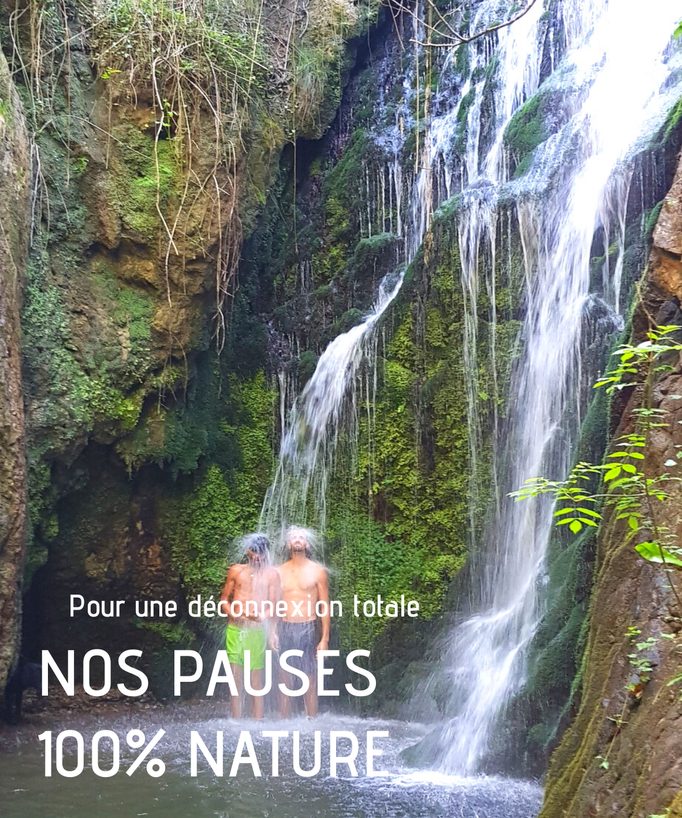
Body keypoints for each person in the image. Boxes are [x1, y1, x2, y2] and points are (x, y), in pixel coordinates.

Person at [220, 533, 280, 719]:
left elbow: (274, 605)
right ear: (248, 550)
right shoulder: (236, 571)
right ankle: (236, 720)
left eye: (261, 553)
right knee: (235, 677)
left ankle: (258, 721)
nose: (257, 556)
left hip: (255, 631)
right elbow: (223, 601)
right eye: (254, 552)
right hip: (235, 629)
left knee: (256, 679)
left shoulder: (272, 574)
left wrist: (262, 617)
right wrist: (233, 613)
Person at [275, 527, 330, 717]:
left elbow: (325, 606)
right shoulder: (279, 571)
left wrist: (324, 639)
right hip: (285, 626)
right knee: (284, 677)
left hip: (308, 626)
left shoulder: (317, 571)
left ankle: (311, 720)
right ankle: (284, 721)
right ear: (289, 544)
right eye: (293, 538)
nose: (297, 540)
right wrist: (272, 632)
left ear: (306, 544)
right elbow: (275, 605)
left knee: (309, 677)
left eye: (301, 537)